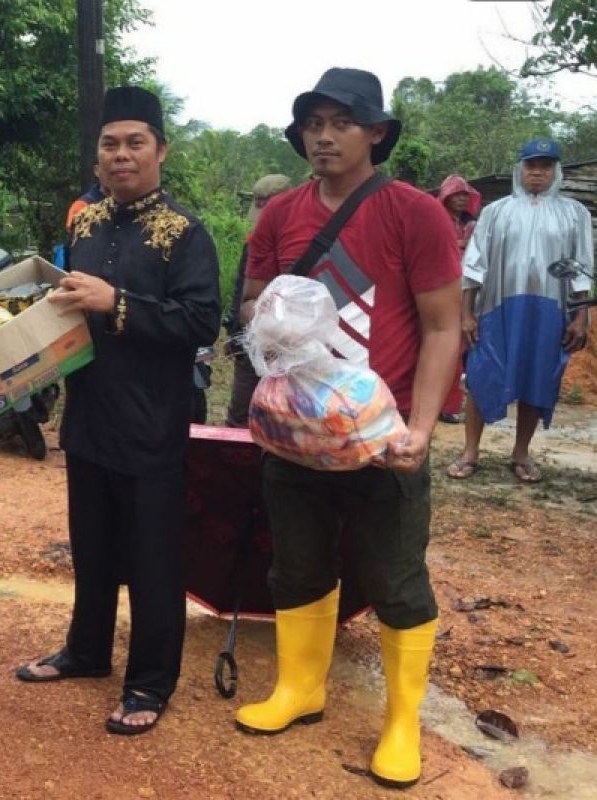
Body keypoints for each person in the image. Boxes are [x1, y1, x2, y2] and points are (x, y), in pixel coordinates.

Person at [236, 68, 461, 790]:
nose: (324, 136)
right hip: (296, 433)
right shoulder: (278, 216)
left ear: (376, 134)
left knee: (396, 579)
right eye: (313, 123)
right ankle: (302, 689)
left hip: (383, 437)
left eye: (341, 122)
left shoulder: (414, 214)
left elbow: (441, 325)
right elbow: (248, 305)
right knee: (296, 565)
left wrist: (421, 428)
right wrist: (270, 322)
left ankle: (400, 721)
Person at [16, 86, 222, 736]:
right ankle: (86, 651)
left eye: (135, 142)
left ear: (160, 150)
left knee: (154, 559)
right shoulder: (84, 223)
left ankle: (150, 683)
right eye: (110, 144)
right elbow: (72, 308)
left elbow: (199, 321)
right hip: (90, 416)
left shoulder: (186, 234)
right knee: (94, 548)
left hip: (154, 422)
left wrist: (118, 303)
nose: (121, 155)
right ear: (98, 154)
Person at [446, 139, 593, 483]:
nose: (538, 172)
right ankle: (470, 451)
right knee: (482, 374)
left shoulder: (575, 214)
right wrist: (466, 313)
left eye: (546, 166)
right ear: (520, 169)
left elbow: (580, 268)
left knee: (536, 376)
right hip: (497, 308)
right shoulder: (497, 212)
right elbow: (474, 264)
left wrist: (581, 316)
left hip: (549, 311)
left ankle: (521, 453)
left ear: (556, 171)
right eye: (531, 165)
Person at [223, 174, 293, 427]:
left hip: (290, 345)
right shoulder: (253, 241)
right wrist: (233, 332)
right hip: (252, 338)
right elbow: (241, 290)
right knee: (241, 416)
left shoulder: (301, 236)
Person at [435, 174, 482, 425]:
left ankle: (450, 405)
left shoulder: (472, 226)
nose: (462, 198)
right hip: (433, 289)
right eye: (457, 194)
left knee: (455, 349)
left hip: (463, 292)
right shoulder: (433, 219)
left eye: (466, 194)